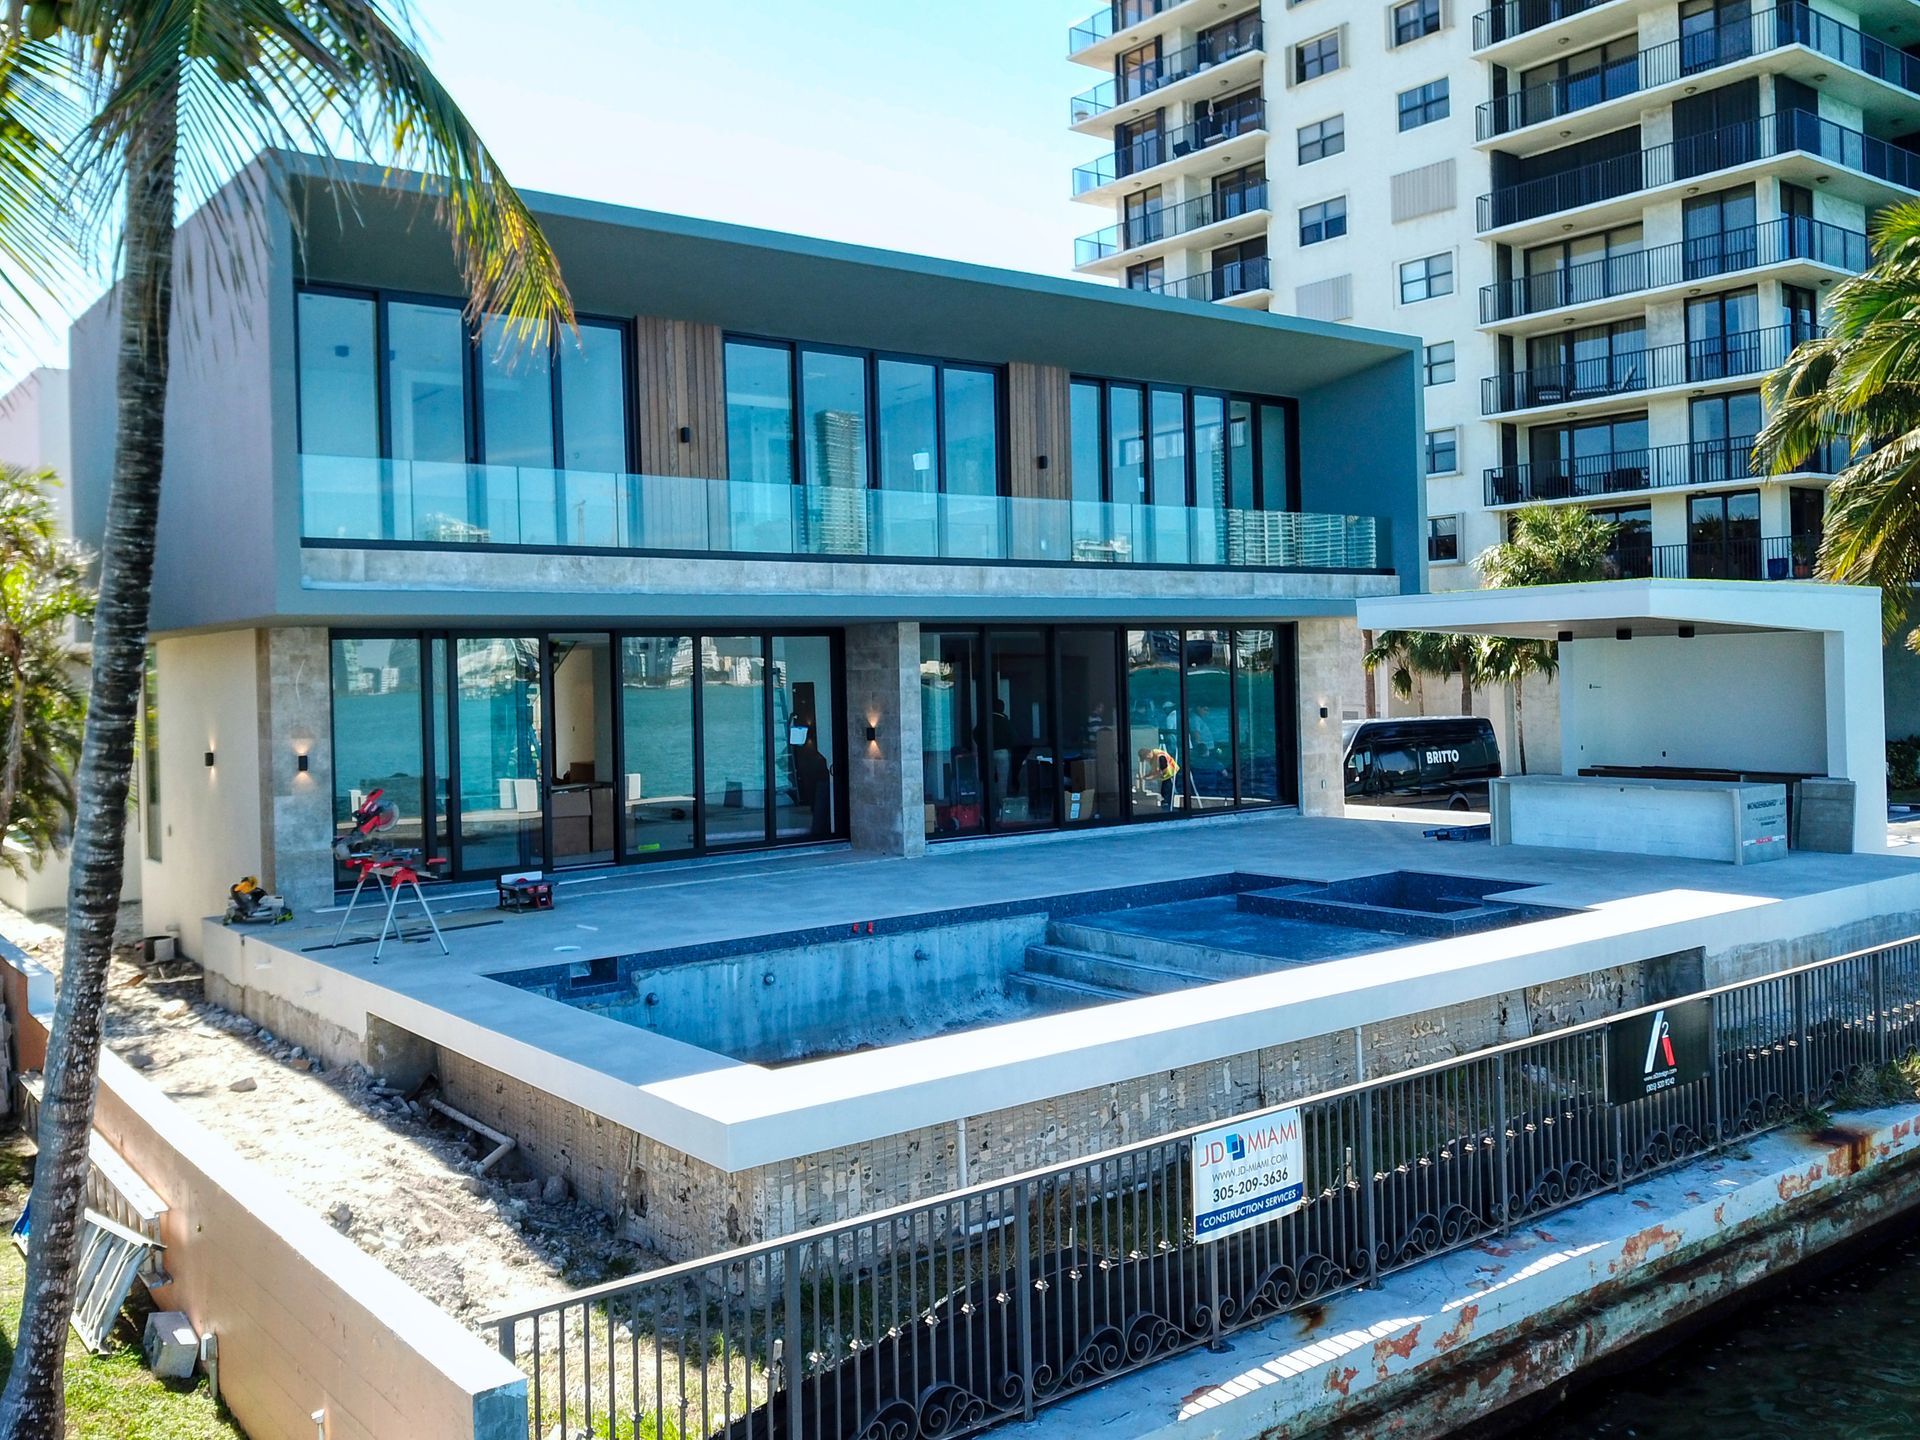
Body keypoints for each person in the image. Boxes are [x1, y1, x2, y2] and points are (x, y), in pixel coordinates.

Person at [977, 699, 1016, 819]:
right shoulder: (1005, 721)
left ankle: (984, 806)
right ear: (1002, 709)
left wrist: (982, 745)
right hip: (1002, 752)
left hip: (988, 752)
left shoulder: (986, 721)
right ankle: (1001, 808)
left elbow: (976, 733)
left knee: (987, 779)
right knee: (1002, 781)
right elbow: (1013, 738)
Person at [1138, 744, 1180, 812]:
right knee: (1163, 792)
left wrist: (1148, 778)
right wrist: (1146, 776)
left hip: (1171, 775)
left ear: (1148, 755)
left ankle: (1168, 810)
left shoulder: (1160, 757)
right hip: (1165, 777)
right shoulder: (1152, 758)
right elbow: (1154, 770)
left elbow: (1161, 773)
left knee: (1167, 793)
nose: (1146, 761)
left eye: (1145, 759)